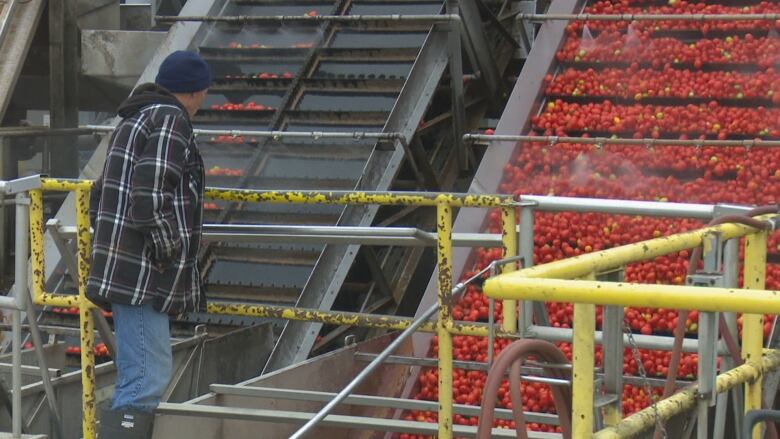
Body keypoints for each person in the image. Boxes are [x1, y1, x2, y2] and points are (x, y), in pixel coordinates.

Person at [87, 50, 211, 439]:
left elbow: (99, 193)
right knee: (145, 381)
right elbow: (150, 194)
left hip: (123, 267)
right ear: (196, 92)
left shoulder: (135, 120)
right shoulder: (171, 119)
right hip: (144, 275)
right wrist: (166, 250)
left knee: (137, 376)